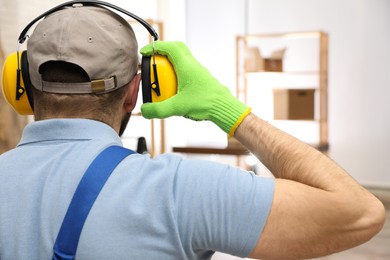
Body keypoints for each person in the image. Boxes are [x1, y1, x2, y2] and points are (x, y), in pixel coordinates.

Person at [0, 3, 385, 260]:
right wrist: (231, 113)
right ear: (139, 90)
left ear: (20, 85)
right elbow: (360, 213)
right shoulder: (176, 192)